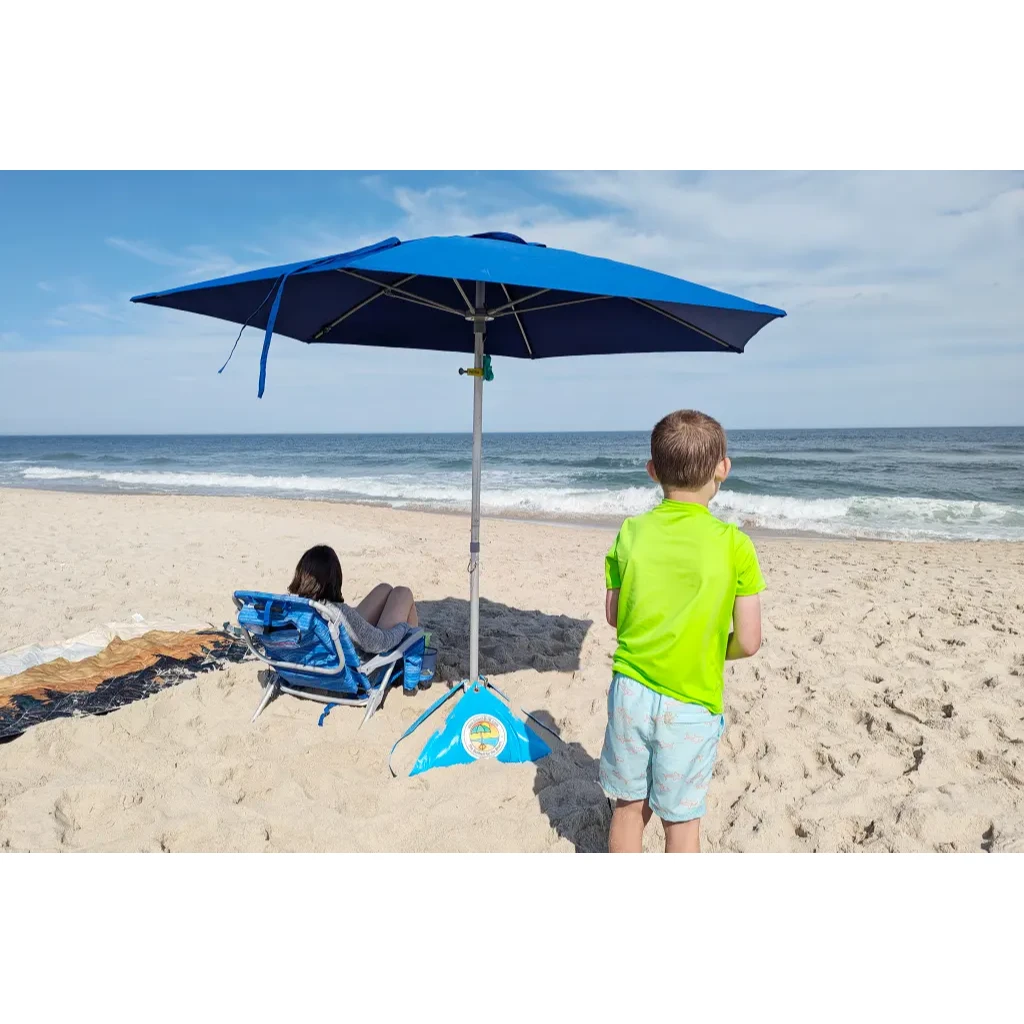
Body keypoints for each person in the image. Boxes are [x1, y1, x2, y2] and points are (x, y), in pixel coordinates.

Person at [601, 410, 765, 853]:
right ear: (723, 468)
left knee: (628, 808)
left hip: (631, 693)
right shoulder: (735, 545)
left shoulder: (631, 532)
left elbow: (616, 615)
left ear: (653, 471)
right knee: (682, 823)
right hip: (691, 702)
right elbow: (749, 641)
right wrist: (710, 647)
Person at [287, 544, 419, 663]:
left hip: (315, 658)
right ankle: (415, 666)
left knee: (384, 588)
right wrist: (403, 628)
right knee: (403, 593)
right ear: (335, 580)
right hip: (356, 668)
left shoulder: (289, 608)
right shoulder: (336, 612)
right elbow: (380, 643)